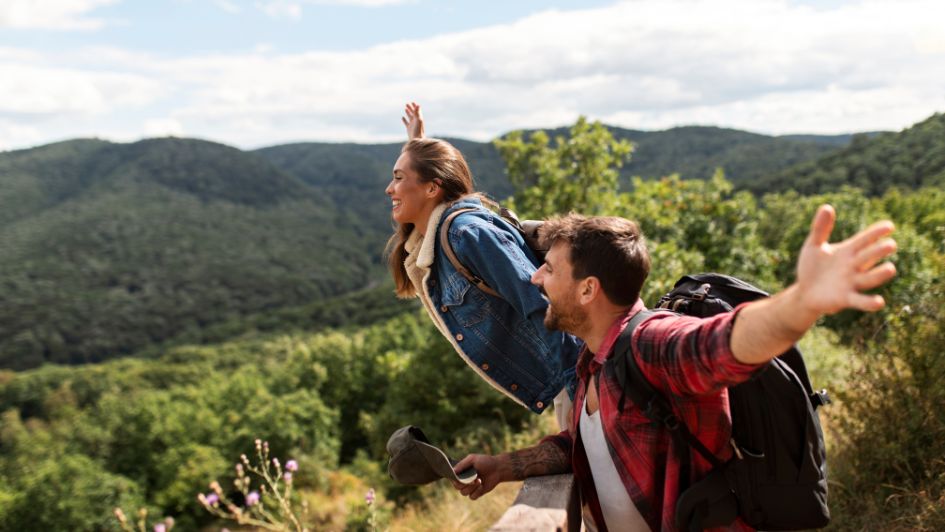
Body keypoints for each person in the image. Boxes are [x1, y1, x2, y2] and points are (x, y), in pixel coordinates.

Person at [450, 206, 897, 531]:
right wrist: (504, 465)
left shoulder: (651, 343)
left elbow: (724, 344)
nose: (535, 278)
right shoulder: (592, 360)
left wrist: (802, 302)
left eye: (549, 269)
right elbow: (585, 443)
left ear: (588, 290)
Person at [385, 102, 581, 422]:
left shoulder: (468, 235)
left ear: (432, 187)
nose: (389, 188)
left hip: (576, 372)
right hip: (566, 378)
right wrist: (416, 143)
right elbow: (429, 184)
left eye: (398, 177)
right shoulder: (432, 240)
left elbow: (540, 304)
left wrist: (580, 385)